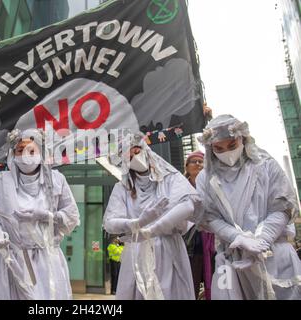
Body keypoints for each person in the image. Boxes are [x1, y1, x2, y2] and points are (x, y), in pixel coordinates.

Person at [196, 114, 301, 300]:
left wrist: (261, 240)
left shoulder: (266, 165)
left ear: (243, 139)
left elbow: (282, 206)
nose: (226, 153)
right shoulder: (205, 178)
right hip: (233, 258)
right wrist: (237, 237)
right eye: (218, 149)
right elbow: (209, 217)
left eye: (232, 146)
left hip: (274, 252)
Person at [0, 128, 80, 300]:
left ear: (41, 152)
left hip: (48, 260)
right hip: (14, 260)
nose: (25, 155)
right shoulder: (3, 181)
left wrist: (46, 216)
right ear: (13, 154)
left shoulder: (56, 180)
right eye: (20, 150)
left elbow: (72, 217)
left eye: (31, 150)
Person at [103, 132, 201, 300]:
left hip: (168, 248)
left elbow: (188, 204)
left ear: (145, 149)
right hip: (137, 252)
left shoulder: (171, 178)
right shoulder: (122, 188)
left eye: (136, 151)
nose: (135, 157)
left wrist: (152, 230)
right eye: (129, 156)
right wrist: (138, 222)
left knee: (169, 292)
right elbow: (110, 223)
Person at [183, 151, 215, 300]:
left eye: (201, 162)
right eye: (193, 161)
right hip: (189, 242)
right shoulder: (179, 186)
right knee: (190, 282)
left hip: (212, 240)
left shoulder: (213, 185)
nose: (197, 164)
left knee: (215, 281)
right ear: (187, 166)